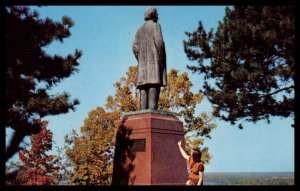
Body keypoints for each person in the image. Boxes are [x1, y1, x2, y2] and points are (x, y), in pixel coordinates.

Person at [132, 7, 167, 110]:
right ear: (154, 15)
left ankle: (143, 113)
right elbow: (159, 43)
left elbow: (134, 47)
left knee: (143, 88)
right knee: (153, 84)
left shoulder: (139, 29)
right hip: (154, 64)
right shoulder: (156, 26)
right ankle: (153, 111)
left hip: (142, 67)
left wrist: (141, 58)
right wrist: (160, 59)